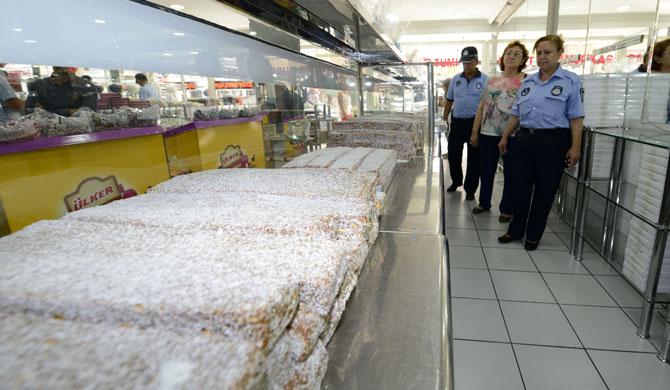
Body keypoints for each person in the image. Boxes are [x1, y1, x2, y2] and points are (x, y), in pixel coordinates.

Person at [497, 34, 585, 251]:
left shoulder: (571, 81)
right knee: (520, 188)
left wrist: (575, 147)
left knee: (545, 192)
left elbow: (576, 118)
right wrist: (506, 136)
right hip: (525, 139)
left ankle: (534, 235)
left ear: (559, 54)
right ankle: (516, 230)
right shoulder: (529, 81)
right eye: (539, 53)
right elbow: (516, 113)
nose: (543, 57)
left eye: (548, 52)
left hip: (554, 142)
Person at [469, 41, 528, 222]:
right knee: (486, 171)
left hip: (512, 135)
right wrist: (474, 131)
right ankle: (484, 202)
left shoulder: (526, 80)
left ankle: (506, 208)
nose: (511, 56)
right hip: (488, 133)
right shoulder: (492, 79)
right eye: (509, 53)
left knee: (510, 173)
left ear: (523, 60)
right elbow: (482, 106)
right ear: (503, 57)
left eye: (517, 54)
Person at [443, 46, 489, 200]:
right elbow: (449, 100)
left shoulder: (485, 80)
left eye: (469, 62)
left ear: (476, 61)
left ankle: (470, 189)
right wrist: (445, 119)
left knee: (474, 159)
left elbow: (488, 104)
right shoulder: (456, 79)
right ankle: (456, 181)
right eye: (464, 62)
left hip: (475, 125)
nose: (466, 65)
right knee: (453, 155)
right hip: (457, 123)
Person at [25, 66, 98, 116]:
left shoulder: (86, 86)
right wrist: (69, 111)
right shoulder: (38, 86)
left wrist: (46, 111)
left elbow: (88, 114)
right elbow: (29, 111)